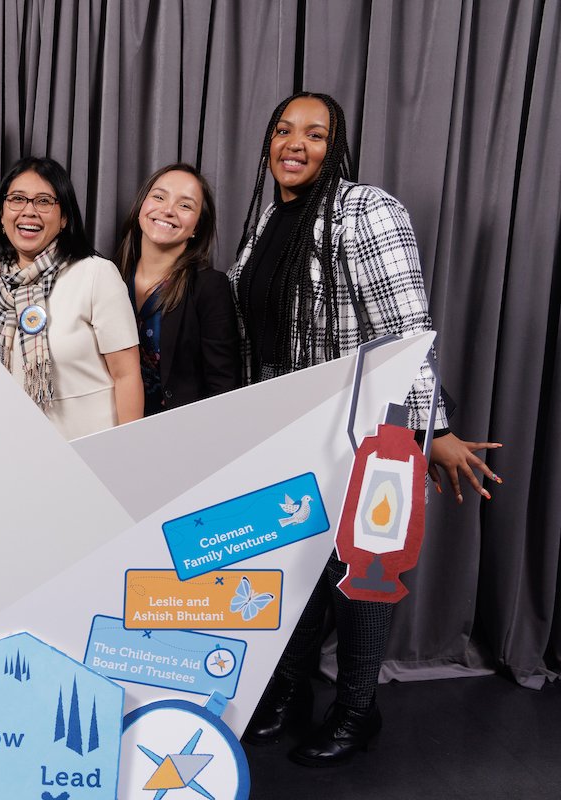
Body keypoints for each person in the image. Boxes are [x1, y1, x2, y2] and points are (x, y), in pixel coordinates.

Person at [231, 91, 503, 766]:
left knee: (361, 570)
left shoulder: (365, 210)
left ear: (337, 146)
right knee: (296, 562)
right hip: (292, 426)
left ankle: (358, 709)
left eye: (315, 134)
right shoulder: (268, 219)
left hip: (367, 428)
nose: (295, 143)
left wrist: (430, 431)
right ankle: (289, 692)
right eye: (283, 129)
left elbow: (405, 329)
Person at [0, 156, 143, 439]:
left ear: (64, 218)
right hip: (16, 454)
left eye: (43, 201)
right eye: (17, 199)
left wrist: (126, 452)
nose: (29, 211)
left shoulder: (96, 274)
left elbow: (127, 376)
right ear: (1, 214)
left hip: (90, 453)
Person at [115, 163, 240, 414]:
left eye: (185, 205)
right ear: (141, 206)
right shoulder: (109, 276)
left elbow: (224, 387)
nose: (168, 210)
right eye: (159, 197)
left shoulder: (210, 287)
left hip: (179, 437)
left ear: (197, 227)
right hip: (111, 430)